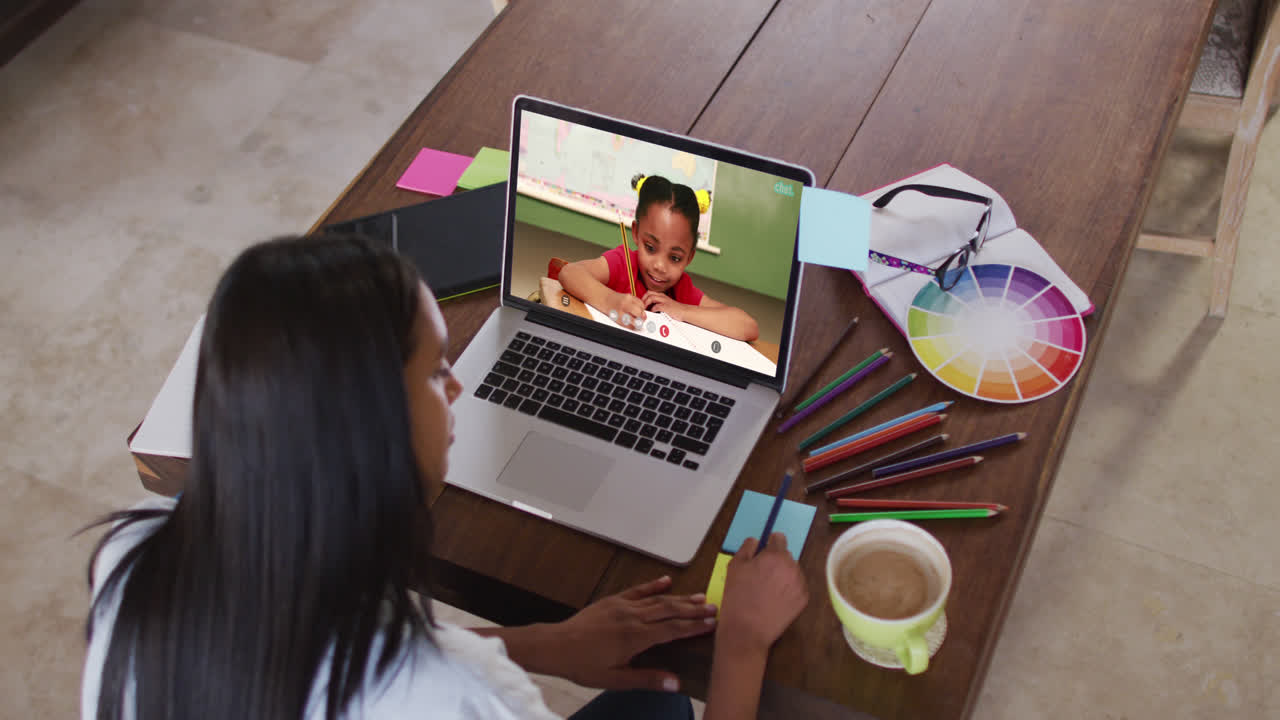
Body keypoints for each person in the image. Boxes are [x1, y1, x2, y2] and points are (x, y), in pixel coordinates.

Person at [82, 234, 807, 720]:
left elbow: (330, 655)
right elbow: (422, 681)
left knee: (654, 702)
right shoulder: (455, 701)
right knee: (666, 702)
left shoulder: (134, 556)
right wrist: (742, 646)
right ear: (372, 431)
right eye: (435, 371)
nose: (458, 384)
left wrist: (544, 645)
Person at [558, 175, 760, 342]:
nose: (660, 266)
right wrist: (610, 301)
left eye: (675, 258)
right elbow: (569, 272)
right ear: (636, 233)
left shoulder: (681, 289)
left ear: (689, 257)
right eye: (650, 248)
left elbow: (748, 326)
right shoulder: (623, 263)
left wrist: (682, 310)